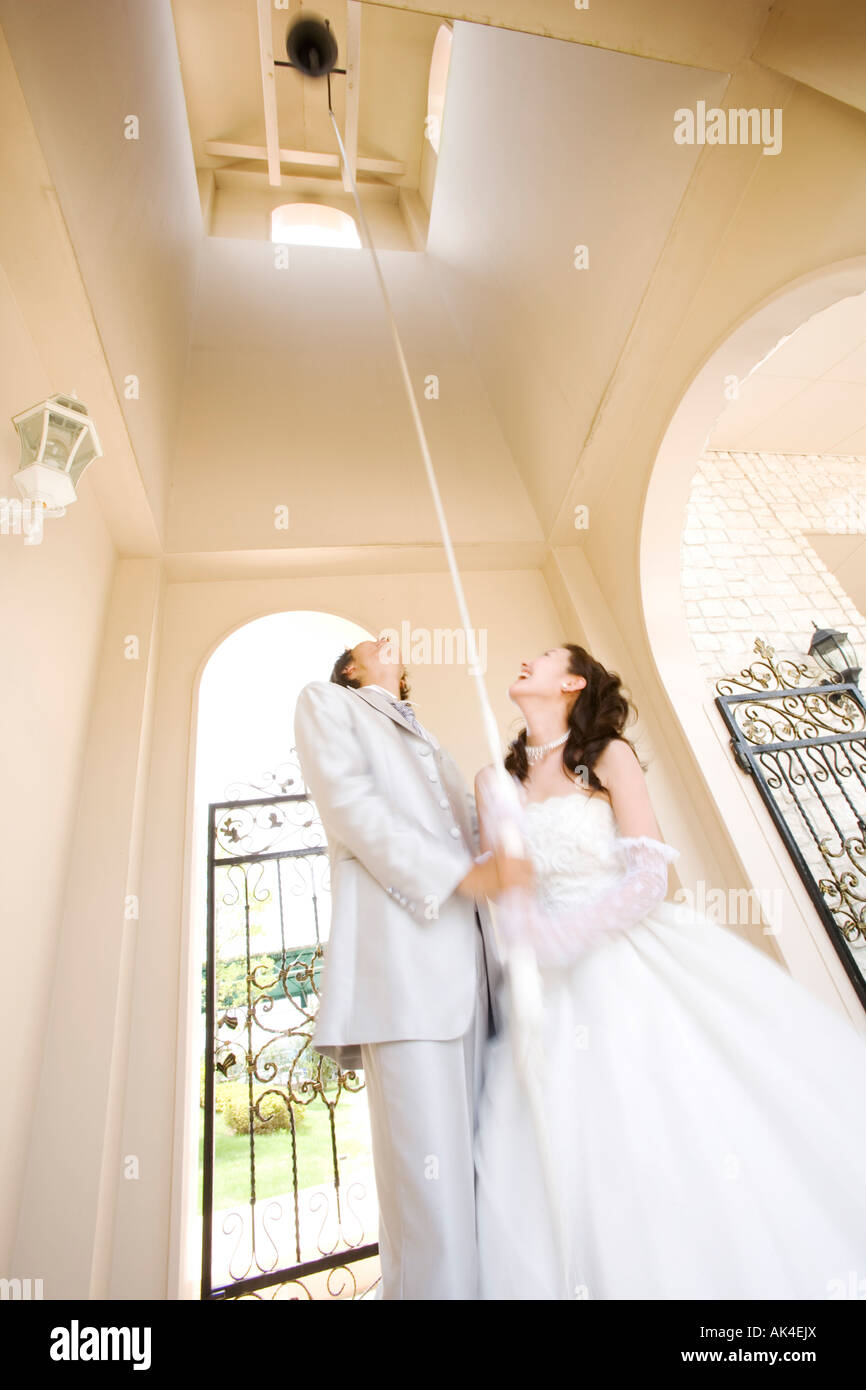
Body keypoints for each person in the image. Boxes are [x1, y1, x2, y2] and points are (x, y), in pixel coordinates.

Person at [472, 643, 866, 1300]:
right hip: (546, 991)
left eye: (540, 656)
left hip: (627, 958)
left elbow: (649, 876)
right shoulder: (498, 781)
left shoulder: (608, 757)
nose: (523, 660)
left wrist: (570, 933)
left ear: (573, 681)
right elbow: (502, 887)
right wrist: (523, 925)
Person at [293, 634, 523, 1299]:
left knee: (485, 1182)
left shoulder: (437, 747)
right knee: (431, 1205)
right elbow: (354, 810)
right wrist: (463, 875)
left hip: (479, 976)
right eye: (371, 641)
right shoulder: (325, 705)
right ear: (350, 668)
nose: (389, 640)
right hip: (403, 978)